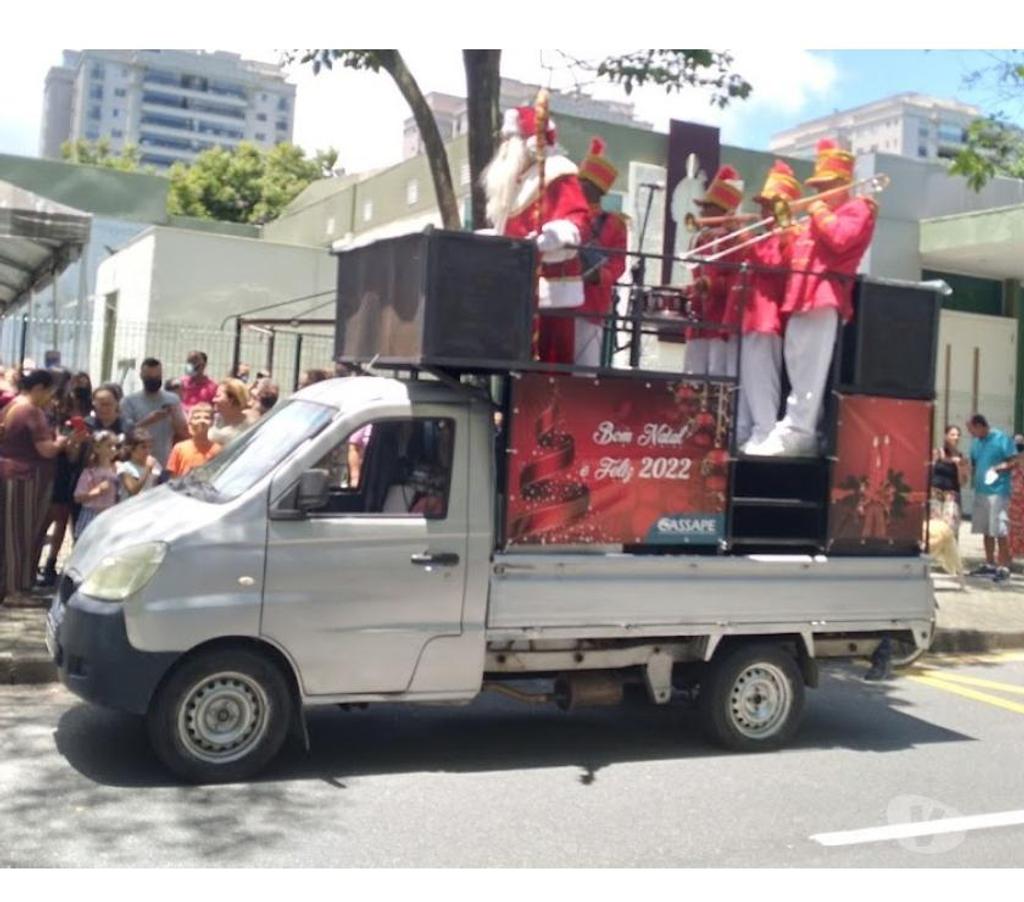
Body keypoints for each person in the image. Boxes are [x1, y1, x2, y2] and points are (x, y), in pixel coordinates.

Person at [755, 139, 878, 457]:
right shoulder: (815, 218)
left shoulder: (859, 207)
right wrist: (785, 233)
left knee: (809, 368)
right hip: (801, 295)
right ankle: (801, 427)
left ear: (843, 184)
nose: (818, 191)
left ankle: (800, 430)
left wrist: (819, 209)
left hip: (825, 296)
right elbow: (789, 259)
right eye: (817, 186)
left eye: (825, 185)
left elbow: (840, 239)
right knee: (797, 365)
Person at [481, 103, 591, 363]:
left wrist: (552, 236)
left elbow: (577, 221)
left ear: (528, 142)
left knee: (546, 367)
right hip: (516, 290)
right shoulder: (513, 183)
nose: (505, 145)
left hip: (550, 290)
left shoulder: (556, 171)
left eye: (511, 139)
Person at [726, 161, 801, 451]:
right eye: (763, 206)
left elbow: (775, 265)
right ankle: (747, 431)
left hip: (768, 316)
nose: (762, 212)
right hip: (752, 315)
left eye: (769, 206)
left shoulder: (790, 234)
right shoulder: (768, 236)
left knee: (762, 379)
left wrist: (746, 240)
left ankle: (765, 430)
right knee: (747, 379)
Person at [0, 370, 72, 605]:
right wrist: (61, 442)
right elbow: (46, 450)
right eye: (50, 391)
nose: (51, 397)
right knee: (19, 534)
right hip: (24, 479)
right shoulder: (30, 410)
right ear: (39, 388)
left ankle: (9, 585)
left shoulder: (12, 405)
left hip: (12, 475)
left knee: (9, 533)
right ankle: (16, 589)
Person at [683, 165, 745, 377]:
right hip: (699, 318)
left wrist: (711, 285)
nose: (701, 212)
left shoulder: (736, 240)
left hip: (720, 321)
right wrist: (690, 289)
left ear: (721, 211)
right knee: (692, 376)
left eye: (707, 207)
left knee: (717, 375)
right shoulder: (701, 239)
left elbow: (739, 280)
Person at [575, 137, 628, 367]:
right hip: (560, 301)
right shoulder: (569, 215)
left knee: (585, 369)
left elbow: (618, 265)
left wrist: (599, 276)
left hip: (591, 302)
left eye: (581, 181)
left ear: (592, 187)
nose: (576, 186)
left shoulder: (615, 223)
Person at [967, 413, 1017, 583]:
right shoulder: (976, 443)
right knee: (986, 529)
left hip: (998, 491)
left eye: (972, 429)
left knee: (999, 529)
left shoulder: (1001, 438)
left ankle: (1003, 566)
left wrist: (999, 467)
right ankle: (990, 564)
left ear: (981, 426)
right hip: (981, 491)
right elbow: (973, 463)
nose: (971, 433)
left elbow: (1014, 460)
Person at [121, 358, 189, 469]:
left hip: (164, 461)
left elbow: (183, 433)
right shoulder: (129, 401)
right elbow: (126, 433)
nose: (153, 380)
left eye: (157, 377)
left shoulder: (172, 399)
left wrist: (174, 415)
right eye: (149, 377)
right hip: (137, 464)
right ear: (141, 376)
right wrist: (149, 420)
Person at [72, 430, 119, 540]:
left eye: (115, 446)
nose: (113, 449)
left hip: (110, 514)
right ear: (97, 448)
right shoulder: (90, 472)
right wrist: (97, 491)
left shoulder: (117, 469)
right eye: (109, 446)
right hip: (92, 514)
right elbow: (77, 497)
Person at [930, 425, 968, 539]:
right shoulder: (937, 452)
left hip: (952, 493)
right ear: (946, 436)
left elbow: (963, 482)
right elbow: (929, 471)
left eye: (957, 435)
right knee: (934, 526)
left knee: (950, 526)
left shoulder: (961, 457)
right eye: (952, 435)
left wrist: (959, 466)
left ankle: (950, 553)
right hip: (935, 492)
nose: (955, 437)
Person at [166, 402, 221, 477]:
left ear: (212, 423)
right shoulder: (179, 448)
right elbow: (173, 477)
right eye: (197, 418)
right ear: (190, 422)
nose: (201, 421)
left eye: (206, 418)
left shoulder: (217, 450)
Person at [117, 428, 162, 499]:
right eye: (143, 447)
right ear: (131, 449)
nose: (148, 451)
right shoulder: (125, 468)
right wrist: (147, 469)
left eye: (150, 447)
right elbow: (133, 491)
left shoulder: (155, 464)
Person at [209, 378, 250, 447]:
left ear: (231, 400)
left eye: (218, 396)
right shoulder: (213, 419)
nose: (213, 400)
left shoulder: (249, 427)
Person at [1010, 433, 1024, 564]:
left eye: (1021, 446)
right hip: (1009, 501)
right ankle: (1006, 562)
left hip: (1022, 503)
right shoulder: (1007, 461)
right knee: (1008, 532)